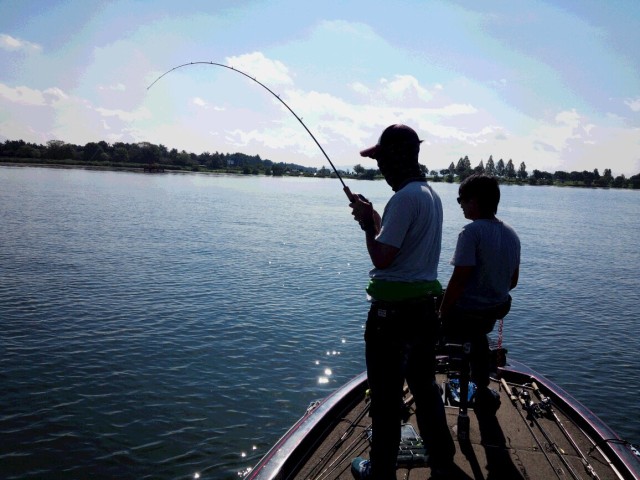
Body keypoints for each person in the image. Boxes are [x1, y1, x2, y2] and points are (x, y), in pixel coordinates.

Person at [349, 124, 456, 480]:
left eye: (381, 159)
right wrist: (374, 219)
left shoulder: (405, 198)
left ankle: (381, 472)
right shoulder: (429, 195)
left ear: (396, 158)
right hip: (424, 312)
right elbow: (399, 246)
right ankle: (442, 460)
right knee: (425, 389)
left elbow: (382, 258)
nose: (380, 167)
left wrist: (368, 227)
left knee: (385, 399)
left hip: (391, 319)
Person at [438, 174, 521, 413]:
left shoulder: (470, 232)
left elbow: (459, 280)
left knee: (430, 300)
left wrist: (441, 314)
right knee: (477, 335)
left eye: (461, 200)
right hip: (496, 307)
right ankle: (482, 387)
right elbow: (513, 282)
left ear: (473, 201)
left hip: (468, 311)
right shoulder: (512, 234)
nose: (460, 205)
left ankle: (424, 377)